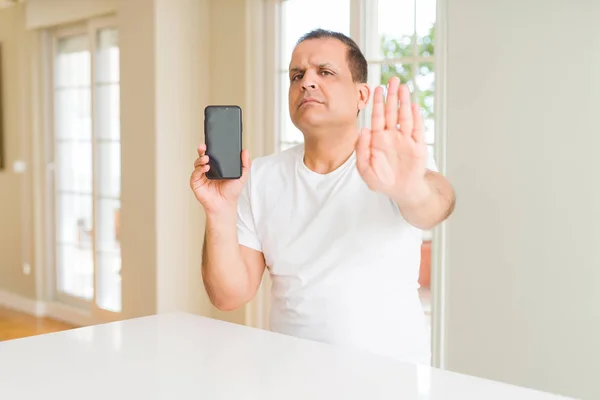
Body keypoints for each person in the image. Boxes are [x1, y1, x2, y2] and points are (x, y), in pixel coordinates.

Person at [190, 29, 456, 364]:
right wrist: (219, 211)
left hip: (390, 381)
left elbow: (436, 204)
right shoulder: (259, 177)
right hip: (292, 378)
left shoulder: (393, 161)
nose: (306, 82)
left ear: (362, 96)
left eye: (325, 72)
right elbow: (228, 295)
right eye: (296, 75)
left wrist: (409, 188)